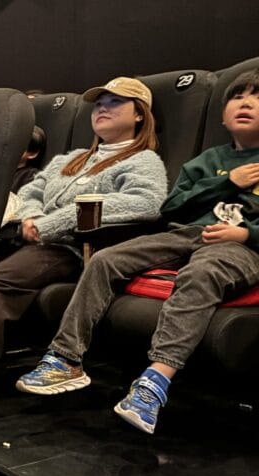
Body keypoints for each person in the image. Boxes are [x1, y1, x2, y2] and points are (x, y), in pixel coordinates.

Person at [15, 70, 259, 434]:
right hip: (185, 234)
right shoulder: (209, 160)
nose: (245, 103)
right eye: (237, 97)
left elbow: (146, 200)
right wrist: (226, 182)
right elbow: (172, 207)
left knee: (201, 272)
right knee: (106, 259)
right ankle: (66, 359)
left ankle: (154, 382)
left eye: (256, 97)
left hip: (241, 245)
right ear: (222, 117)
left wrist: (246, 233)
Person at [0, 76, 168, 377]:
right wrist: (32, 218)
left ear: (139, 114)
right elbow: (31, 192)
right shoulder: (72, 159)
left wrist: (53, 223)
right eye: (99, 104)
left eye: (115, 102)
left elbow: (145, 203)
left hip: (75, 249)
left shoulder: (143, 160)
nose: (102, 109)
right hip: (32, 240)